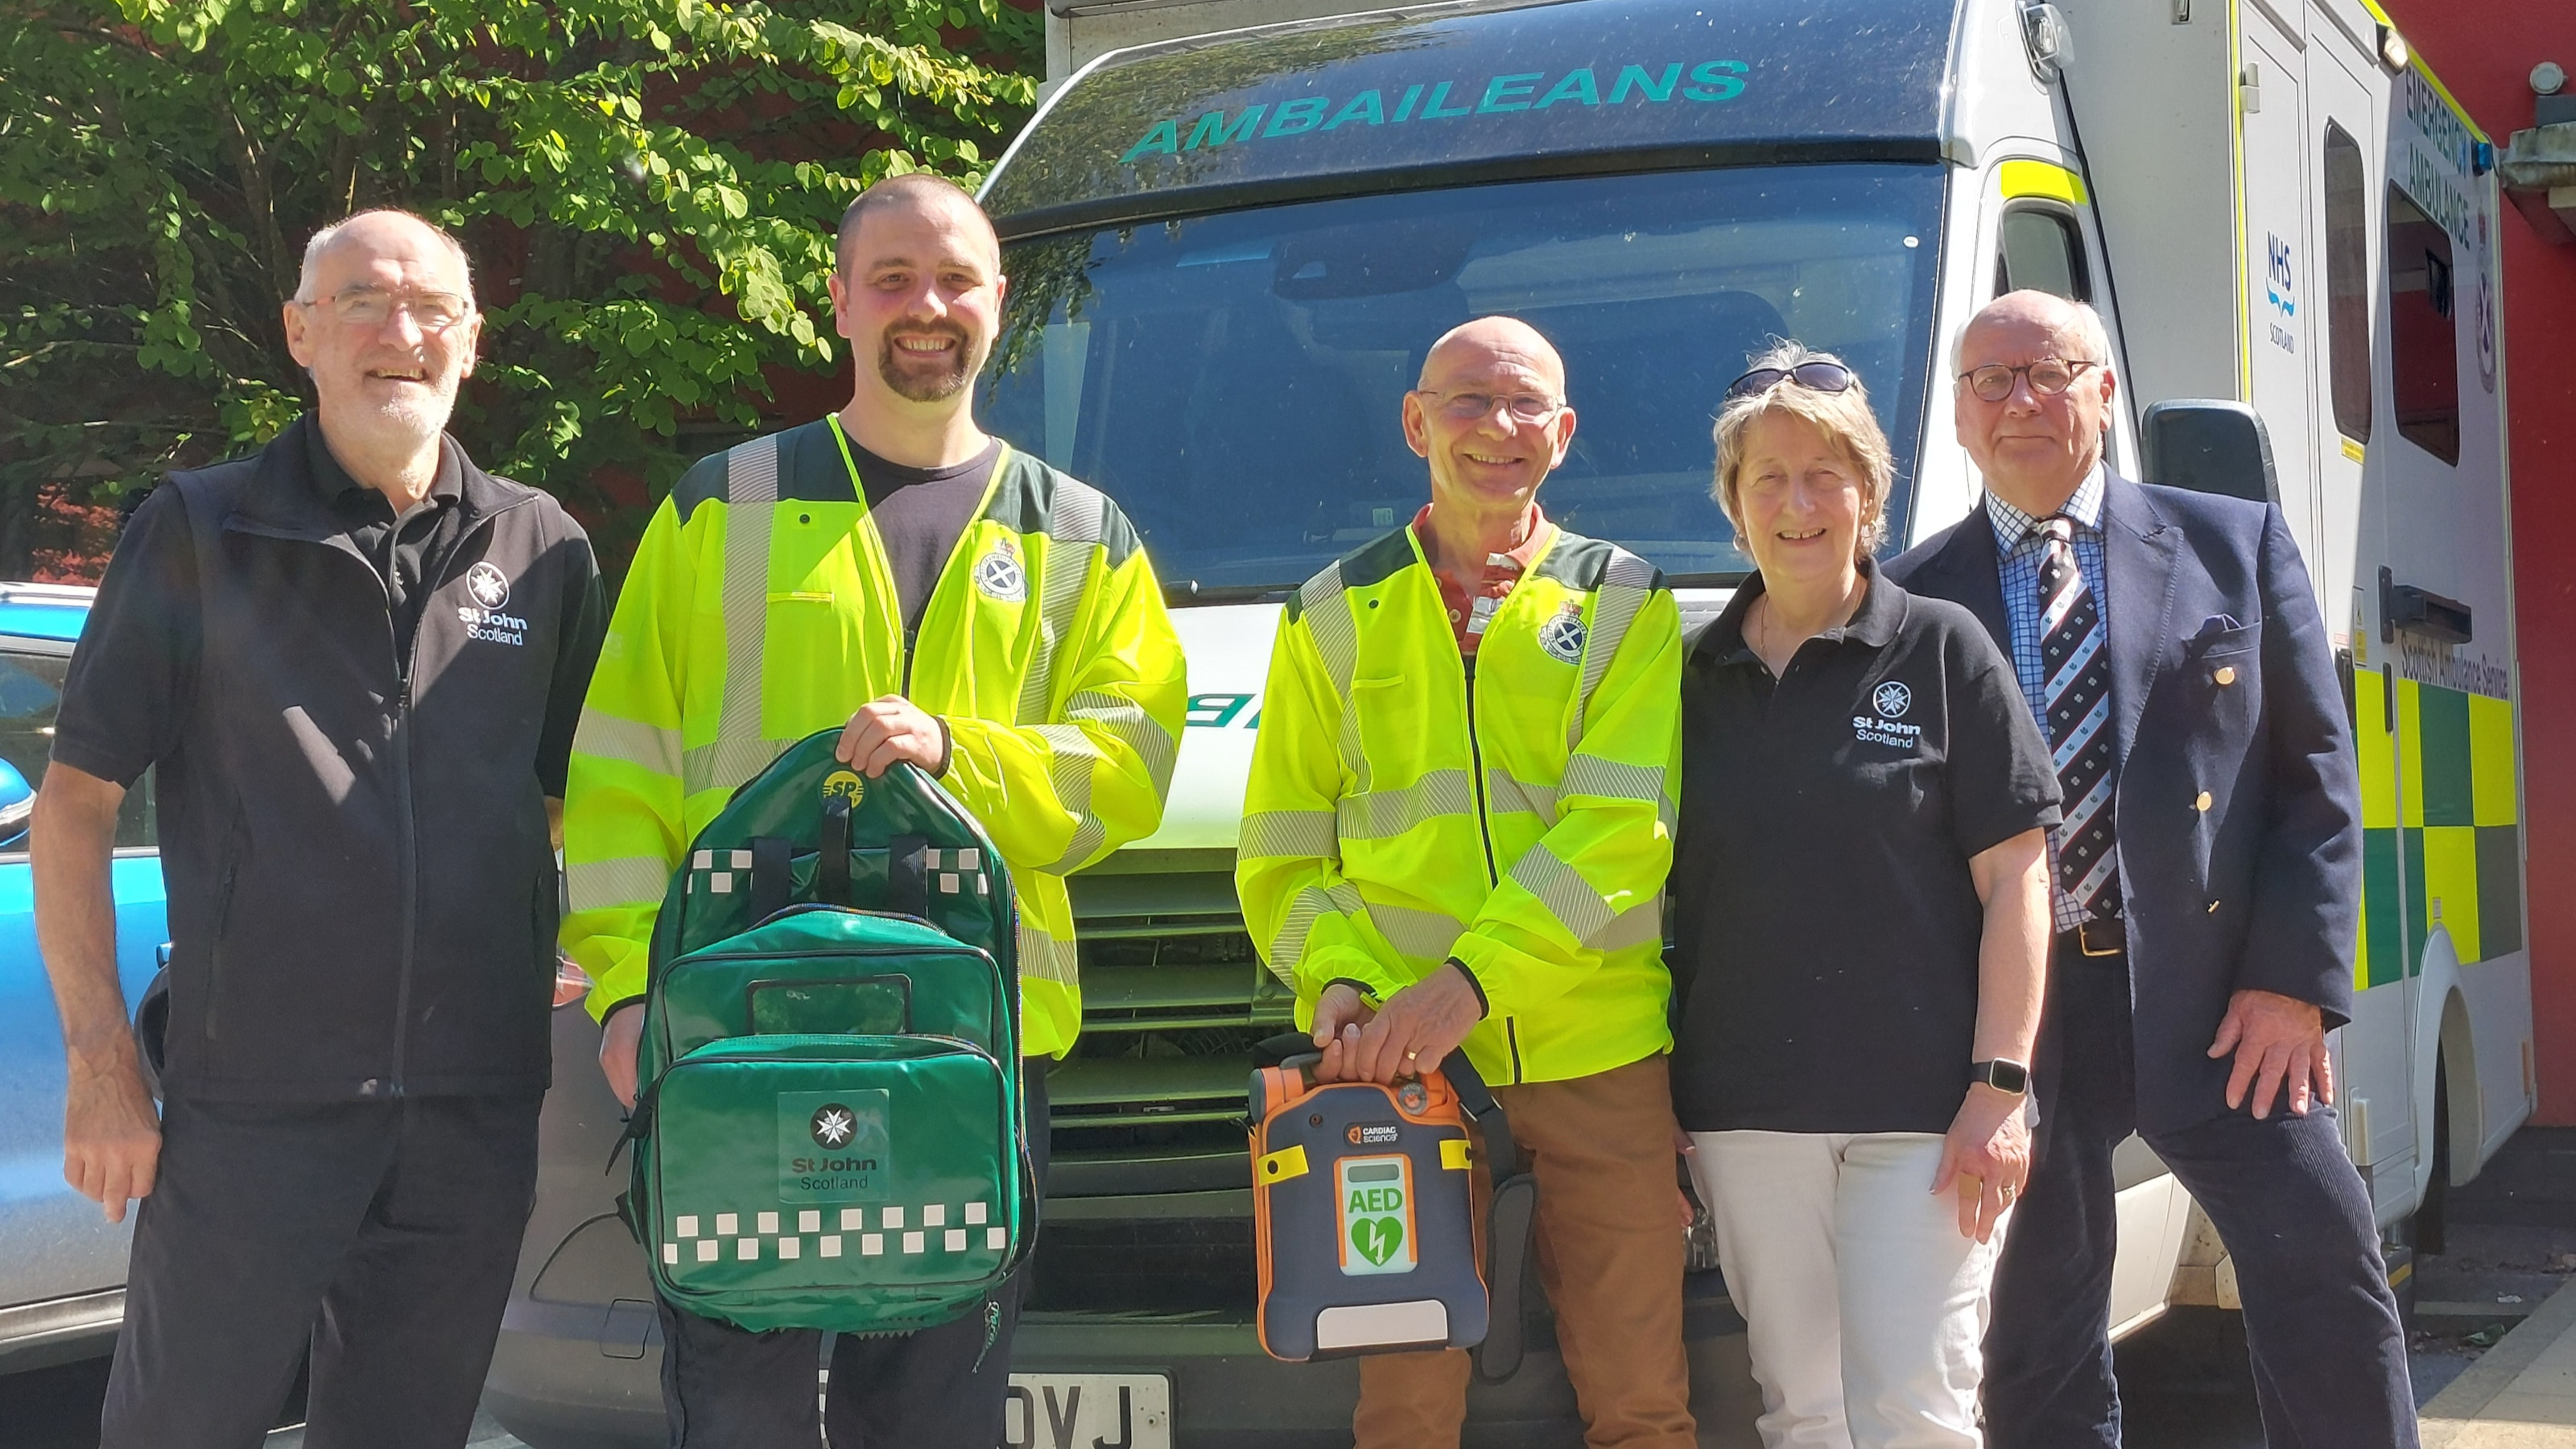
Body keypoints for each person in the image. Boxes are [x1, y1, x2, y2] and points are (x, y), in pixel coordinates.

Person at [560, 172, 1187, 1447]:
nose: (926, 308)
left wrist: (960, 752)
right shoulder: (719, 505)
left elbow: (1130, 765)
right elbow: (620, 773)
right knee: (739, 1414)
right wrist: (628, 992)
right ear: (839, 302)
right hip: (734, 1033)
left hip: (971, 1043)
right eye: (893, 279)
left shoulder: (1081, 533)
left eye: (954, 280)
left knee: (936, 1420)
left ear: (999, 301)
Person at [35, 209, 605, 1448]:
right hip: (253, 1105)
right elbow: (75, 803)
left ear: (472, 341)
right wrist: (101, 1068)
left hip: (471, 1107)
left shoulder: (542, 547)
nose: (401, 332)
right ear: (301, 332)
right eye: (361, 302)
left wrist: (531, 927)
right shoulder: (201, 529)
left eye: (432, 309)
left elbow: (565, 794)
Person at [1886, 289, 2413, 1447]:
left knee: (2324, 1268)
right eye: (1990, 380)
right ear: (1961, 415)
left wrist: (2293, 984)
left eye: (2049, 372)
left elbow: (2317, 776)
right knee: (2035, 1325)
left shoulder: (2235, 541)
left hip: (2222, 997)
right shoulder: (1908, 599)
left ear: (2105, 392)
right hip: (2018, 1014)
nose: (2020, 401)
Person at [1236, 316, 1695, 1449]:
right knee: (1404, 1411)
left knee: (1643, 1402)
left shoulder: (1626, 601)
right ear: (1415, 423)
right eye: (1468, 401)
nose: (1499, 426)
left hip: (1597, 1057)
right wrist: (1339, 983)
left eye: (1527, 402)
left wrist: (1470, 984)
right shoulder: (1328, 613)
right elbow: (1283, 854)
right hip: (1399, 1070)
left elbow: (1621, 834)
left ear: (1565, 432)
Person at [1669, 343, 2057, 1449]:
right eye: (1768, 480)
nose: (1797, 506)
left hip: (1927, 1116)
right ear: (1734, 506)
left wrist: (1999, 1087)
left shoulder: (1942, 648)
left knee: (1915, 1410)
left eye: (1824, 476)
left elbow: (2018, 878)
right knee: (1803, 1410)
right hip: (1744, 1115)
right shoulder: (1685, 679)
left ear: (1870, 496)